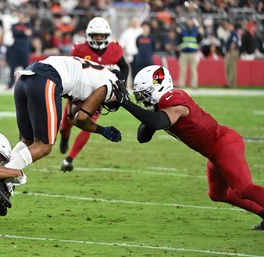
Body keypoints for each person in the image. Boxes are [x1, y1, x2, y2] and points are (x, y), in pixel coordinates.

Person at [113, 65, 264, 230]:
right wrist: (128, 104)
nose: (144, 100)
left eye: (146, 95)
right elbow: (143, 136)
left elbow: (157, 122)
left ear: (158, 86)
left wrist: (126, 104)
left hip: (224, 144)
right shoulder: (162, 105)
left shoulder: (174, 97)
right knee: (217, 194)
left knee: (244, 188)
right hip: (214, 152)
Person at [4, 56, 125, 194]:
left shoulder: (91, 75)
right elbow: (81, 118)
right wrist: (102, 130)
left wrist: (102, 130)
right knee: (44, 146)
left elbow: (73, 117)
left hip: (26, 78)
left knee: (28, 141)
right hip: (46, 78)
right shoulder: (106, 82)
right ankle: (0, 175)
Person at [59, 17, 129, 172]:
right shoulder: (79, 49)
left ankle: (70, 158)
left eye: (101, 35)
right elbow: (71, 73)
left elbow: (124, 67)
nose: (98, 38)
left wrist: (122, 82)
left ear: (107, 35)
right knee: (65, 125)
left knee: (86, 125)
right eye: (96, 35)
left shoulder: (115, 49)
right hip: (78, 93)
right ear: (89, 35)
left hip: (97, 96)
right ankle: (64, 137)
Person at [6, 12, 32, 89]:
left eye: (22, 17)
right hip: (15, 49)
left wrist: (20, 33)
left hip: (24, 49)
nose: (21, 18)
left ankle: (25, 84)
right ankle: (11, 84)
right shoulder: (14, 25)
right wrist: (23, 32)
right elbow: (14, 33)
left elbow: (29, 33)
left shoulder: (28, 25)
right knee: (12, 67)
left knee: (26, 68)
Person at [177, 17, 202, 89]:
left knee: (194, 70)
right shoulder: (183, 30)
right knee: (182, 70)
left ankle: (194, 85)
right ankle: (181, 84)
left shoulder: (196, 30)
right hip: (184, 53)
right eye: (188, 20)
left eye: (191, 20)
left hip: (193, 53)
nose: (189, 22)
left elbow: (200, 39)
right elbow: (179, 39)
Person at [224, 22, 239, 88]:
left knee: (232, 68)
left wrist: (229, 51)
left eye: (229, 26)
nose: (228, 27)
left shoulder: (234, 33)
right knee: (228, 67)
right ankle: (229, 83)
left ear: (232, 26)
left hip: (232, 52)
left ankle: (232, 84)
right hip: (230, 52)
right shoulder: (230, 34)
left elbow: (233, 43)